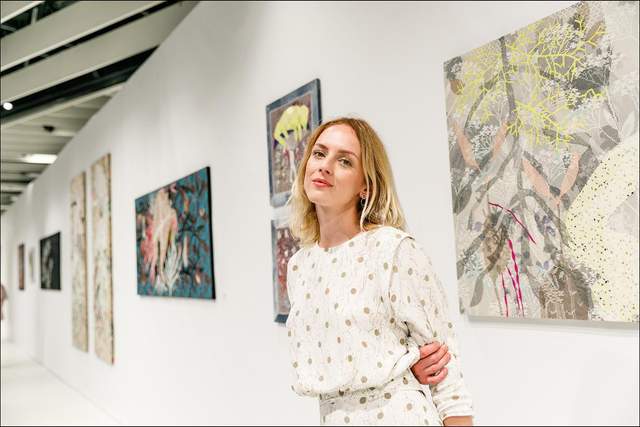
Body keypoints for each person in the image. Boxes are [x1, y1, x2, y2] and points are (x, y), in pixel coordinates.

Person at [285, 118, 474, 426]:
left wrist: (403, 372)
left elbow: (447, 375)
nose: (325, 166)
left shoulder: (392, 249)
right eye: (319, 154)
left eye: (344, 161)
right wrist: (405, 365)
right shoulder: (299, 267)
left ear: (366, 186)